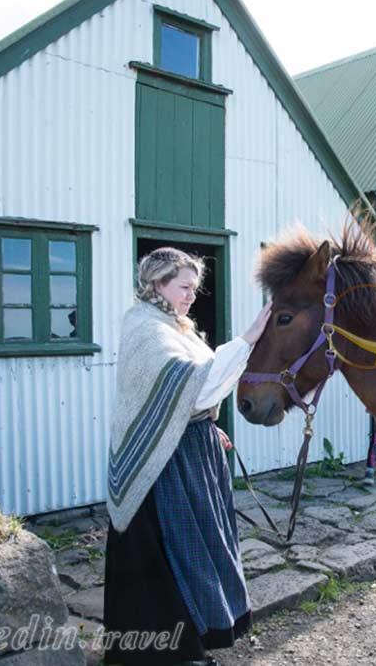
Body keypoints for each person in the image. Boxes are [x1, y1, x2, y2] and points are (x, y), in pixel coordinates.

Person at [104, 247, 272, 666]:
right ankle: (167, 653)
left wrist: (208, 424)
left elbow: (191, 395)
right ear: (157, 284)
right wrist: (248, 338)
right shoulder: (146, 328)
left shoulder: (176, 327)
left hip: (191, 448)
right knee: (174, 548)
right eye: (184, 287)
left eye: (195, 288)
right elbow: (191, 385)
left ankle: (193, 641)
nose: (192, 296)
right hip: (164, 461)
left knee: (199, 544)